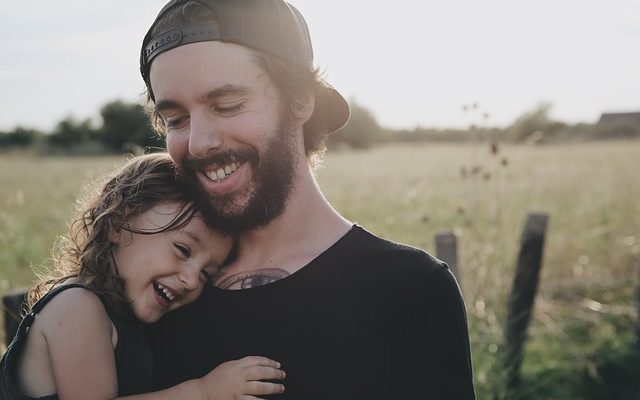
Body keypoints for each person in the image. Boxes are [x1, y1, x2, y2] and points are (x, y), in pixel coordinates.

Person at [141, 0, 476, 398]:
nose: (198, 143)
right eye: (176, 120)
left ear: (301, 100)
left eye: (226, 105)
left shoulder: (409, 290)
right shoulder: (155, 285)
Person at [0, 153, 286, 400]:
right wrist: (203, 392)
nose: (190, 279)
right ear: (119, 223)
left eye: (205, 275)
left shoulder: (122, 318)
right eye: (183, 250)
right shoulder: (77, 306)